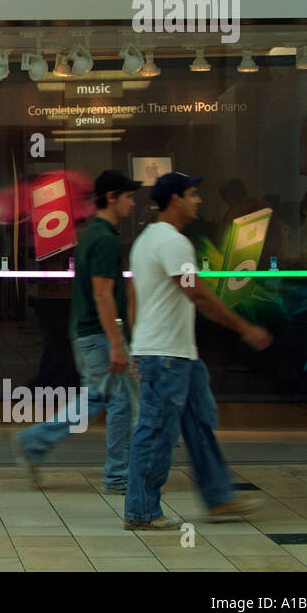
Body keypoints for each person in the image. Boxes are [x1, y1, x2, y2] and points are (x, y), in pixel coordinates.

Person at [123, 172, 273, 530]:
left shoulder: (145, 241)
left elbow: (133, 297)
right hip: (166, 357)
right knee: (157, 430)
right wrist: (244, 327)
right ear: (174, 199)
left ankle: (219, 497)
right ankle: (141, 511)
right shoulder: (172, 243)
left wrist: (136, 344)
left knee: (199, 424)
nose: (199, 201)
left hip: (176, 354)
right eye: (192, 195)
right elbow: (197, 293)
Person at [13, 170, 142, 493]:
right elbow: (102, 293)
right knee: (121, 403)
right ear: (111, 197)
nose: (132, 202)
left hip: (87, 335)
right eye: (128, 196)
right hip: (98, 336)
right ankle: (118, 475)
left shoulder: (90, 236)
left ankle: (35, 441)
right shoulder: (105, 240)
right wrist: (116, 342)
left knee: (98, 399)